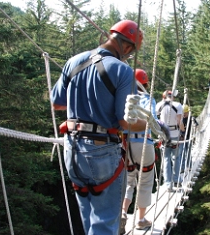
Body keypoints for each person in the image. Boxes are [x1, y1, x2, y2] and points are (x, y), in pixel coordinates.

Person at [50, 20, 147, 235]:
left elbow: (56, 103)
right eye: (130, 52)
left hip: (72, 150)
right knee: (104, 224)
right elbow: (125, 122)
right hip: (101, 152)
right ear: (128, 47)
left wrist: (85, 98)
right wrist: (150, 124)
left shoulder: (73, 61)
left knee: (89, 221)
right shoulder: (122, 71)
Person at [120, 69, 157, 233]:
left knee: (129, 180)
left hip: (126, 144)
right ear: (145, 83)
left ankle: (122, 212)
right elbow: (152, 121)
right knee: (145, 180)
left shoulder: (124, 99)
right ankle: (141, 219)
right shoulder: (149, 100)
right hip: (144, 142)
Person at [156, 90, 183, 191]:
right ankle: (176, 180)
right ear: (173, 97)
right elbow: (179, 122)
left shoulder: (159, 105)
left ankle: (168, 184)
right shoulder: (178, 105)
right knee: (176, 158)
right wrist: (182, 132)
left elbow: (156, 120)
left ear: (164, 97)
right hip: (175, 134)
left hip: (164, 135)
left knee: (166, 158)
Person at [179, 104, 199, 172]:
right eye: (183, 113)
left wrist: (194, 134)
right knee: (181, 152)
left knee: (188, 152)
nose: (184, 114)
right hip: (182, 138)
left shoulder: (191, 118)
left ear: (188, 112)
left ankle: (189, 166)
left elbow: (196, 126)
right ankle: (182, 168)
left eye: (185, 113)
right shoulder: (180, 119)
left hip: (188, 138)